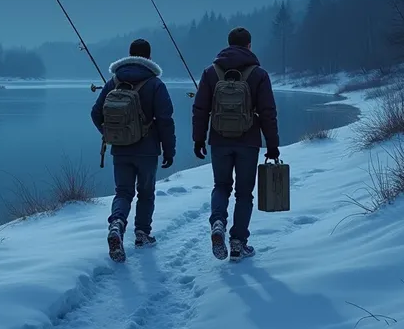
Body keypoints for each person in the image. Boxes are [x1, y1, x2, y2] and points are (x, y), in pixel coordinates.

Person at [191, 27, 280, 262]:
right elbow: (268, 112)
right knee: (244, 194)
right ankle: (238, 242)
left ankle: (218, 222)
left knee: (221, 186)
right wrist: (272, 145)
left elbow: (200, 109)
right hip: (248, 142)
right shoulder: (259, 74)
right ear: (249, 46)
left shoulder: (211, 73)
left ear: (228, 44)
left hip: (219, 140)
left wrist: (198, 138)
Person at [91, 38, 176, 263]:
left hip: (120, 149)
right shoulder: (155, 84)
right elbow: (165, 120)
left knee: (123, 192)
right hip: (147, 151)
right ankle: (142, 233)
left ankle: (117, 224)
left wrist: (109, 133)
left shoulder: (114, 81)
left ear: (129, 54)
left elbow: (95, 113)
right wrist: (169, 150)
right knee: (146, 193)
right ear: (148, 57)